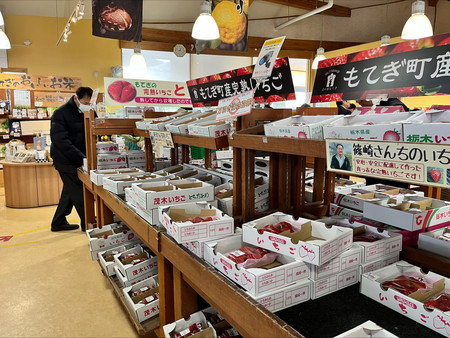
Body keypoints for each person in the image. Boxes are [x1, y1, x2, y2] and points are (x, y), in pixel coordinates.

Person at [50, 87, 93, 232]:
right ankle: (88, 224)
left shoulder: (86, 112)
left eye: (89, 102)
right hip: (65, 160)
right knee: (79, 192)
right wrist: (82, 158)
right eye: (84, 102)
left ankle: (58, 221)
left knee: (69, 191)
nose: (87, 104)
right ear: (76, 99)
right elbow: (61, 141)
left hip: (79, 159)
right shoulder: (60, 113)